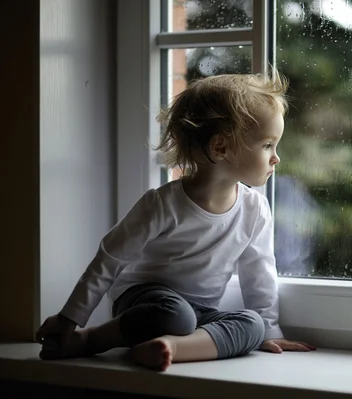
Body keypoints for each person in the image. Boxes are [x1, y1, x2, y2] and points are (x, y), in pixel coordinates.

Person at [35, 69, 315, 371]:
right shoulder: (162, 204)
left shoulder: (255, 209)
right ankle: (91, 339)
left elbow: (259, 273)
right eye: (267, 145)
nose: (276, 158)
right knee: (175, 315)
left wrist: (270, 331)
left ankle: (169, 348)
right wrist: (69, 318)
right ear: (220, 147)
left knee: (252, 325)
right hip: (146, 302)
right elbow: (109, 259)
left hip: (200, 313)